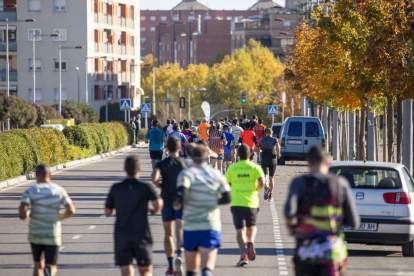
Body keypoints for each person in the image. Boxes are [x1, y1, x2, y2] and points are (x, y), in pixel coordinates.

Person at [284, 145, 359, 276]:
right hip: (333, 253)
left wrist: (292, 229)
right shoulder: (340, 184)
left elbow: (289, 212)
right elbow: (354, 222)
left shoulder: (299, 183)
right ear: (327, 163)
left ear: (308, 163)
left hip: (306, 252)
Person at [175, 145, 231, 276]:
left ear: (191, 157)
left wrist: (179, 202)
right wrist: (211, 201)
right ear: (207, 158)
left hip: (191, 226)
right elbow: (227, 197)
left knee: (191, 270)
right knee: (207, 269)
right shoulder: (216, 174)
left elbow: (181, 192)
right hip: (211, 225)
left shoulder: (186, 173)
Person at [106, 155, 163, 276]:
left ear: (125, 169)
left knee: (126, 269)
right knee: (145, 270)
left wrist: (116, 209)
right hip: (142, 234)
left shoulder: (116, 188)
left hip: (122, 235)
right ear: (139, 169)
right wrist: (153, 211)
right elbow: (158, 202)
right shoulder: (145, 187)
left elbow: (107, 212)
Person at [19, 164, 76, 276]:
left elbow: (23, 210)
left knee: (38, 265)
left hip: (35, 233)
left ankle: (42, 270)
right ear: (50, 175)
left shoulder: (30, 191)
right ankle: (49, 271)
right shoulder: (59, 190)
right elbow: (71, 210)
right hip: (52, 233)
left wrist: (25, 215)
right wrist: (59, 218)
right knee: (51, 264)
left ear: (36, 175)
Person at [152, 137, 187, 276]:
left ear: (166, 147)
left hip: (166, 201)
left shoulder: (162, 164)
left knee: (168, 234)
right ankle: (179, 255)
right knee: (180, 232)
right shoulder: (185, 164)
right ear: (179, 148)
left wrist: (161, 186)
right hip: (181, 202)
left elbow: (154, 178)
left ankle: (171, 264)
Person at [225, 145, 265, 267]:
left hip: (237, 202)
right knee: (251, 226)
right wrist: (256, 190)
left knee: (240, 230)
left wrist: (235, 190)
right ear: (249, 155)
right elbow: (263, 182)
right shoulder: (255, 167)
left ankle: (243, 254)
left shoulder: (232, 168)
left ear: (237, 155)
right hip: (252, 202)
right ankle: (251, 241)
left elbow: (227, 185)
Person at [259, 128, 281, 201]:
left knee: (264, 176)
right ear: (272, 133)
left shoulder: (262, 140)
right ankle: (271, 195)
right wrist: (278, 154)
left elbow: (258, 148)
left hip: (264, 158)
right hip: (272, 159)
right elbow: (277, 146)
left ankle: (266, 188)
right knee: (271, 177)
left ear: (266, 133)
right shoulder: (274, 139)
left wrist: (260, 153)